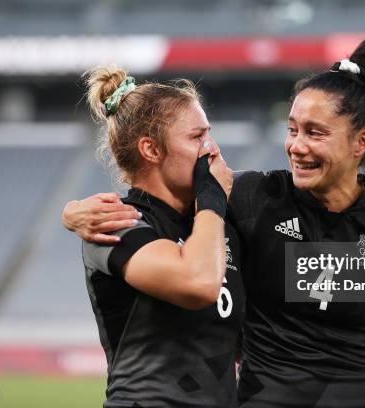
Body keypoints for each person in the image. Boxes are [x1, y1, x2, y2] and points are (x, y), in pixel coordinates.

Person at [65, 38, 365, 407]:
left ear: (362, 142)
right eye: (292, 129)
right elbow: (185, 206)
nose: (296, 146)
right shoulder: (251, 199)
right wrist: (74, 213)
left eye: (315, 133)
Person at [79, 67, 245, 408]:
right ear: (151, 150)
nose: (211, 149)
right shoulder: (115, 223)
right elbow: (198, 283)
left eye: (208, 134)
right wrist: (213, 198)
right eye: (196, 137)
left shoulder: (215, 220)